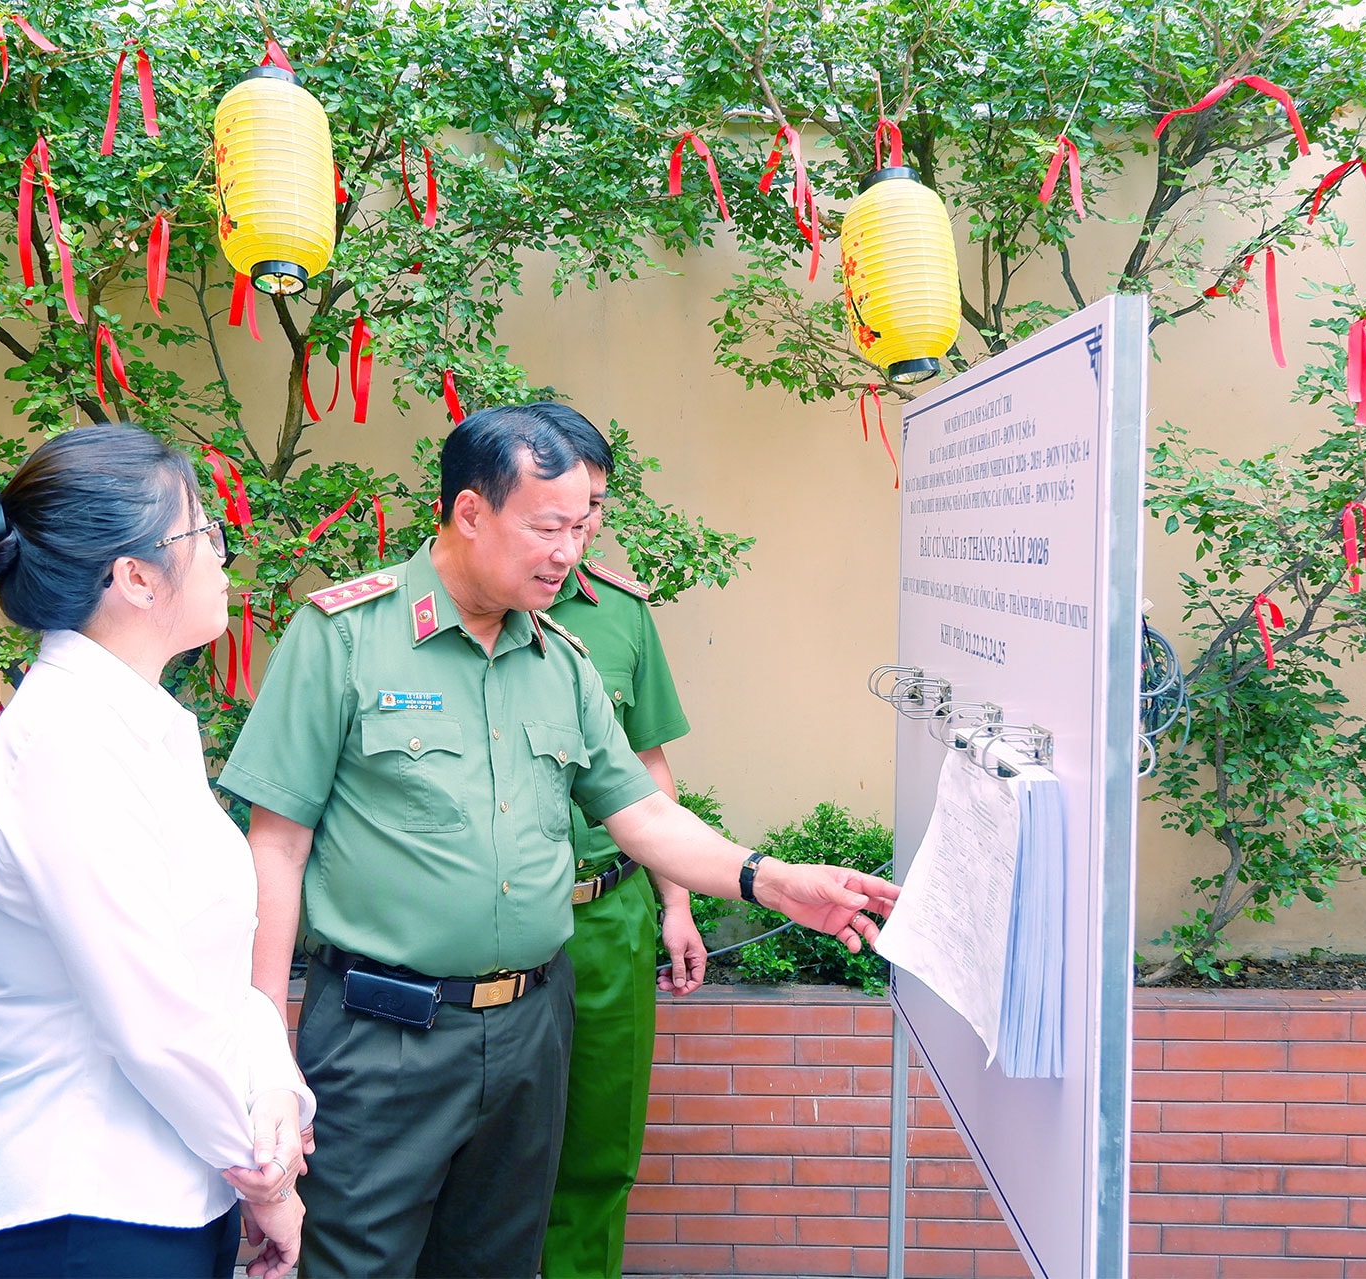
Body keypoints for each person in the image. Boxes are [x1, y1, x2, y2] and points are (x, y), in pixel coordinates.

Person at [220, 403, 896, 1279]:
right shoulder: (344, 637)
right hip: (382, 1036)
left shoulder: (563, 660)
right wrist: (264, 1041)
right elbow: (276, 846)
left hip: (533, 1029)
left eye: (583, 525)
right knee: (354, 1263)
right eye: (547, 527)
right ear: (469, 512)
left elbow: (643, 814)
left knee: (499, 1261)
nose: (569, 551)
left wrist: (770, 880)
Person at [0, 424, 313, 1279]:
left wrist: (277, 1093)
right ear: (135, 577)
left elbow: (215, 973)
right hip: (78, 1216)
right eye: (202, 531)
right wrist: (267, 1180)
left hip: (161, 1202)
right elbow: (153, 1019)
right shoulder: (66, 742)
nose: (221, 553)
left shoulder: (136, 730)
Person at [531, 406, 706, 1279]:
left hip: (607, 918)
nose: (584, 522)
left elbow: (648, 764)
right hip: (489, 926)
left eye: (596, 502)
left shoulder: (622, 615)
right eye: (566, 502)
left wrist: (676, 902)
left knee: (598, 1154)